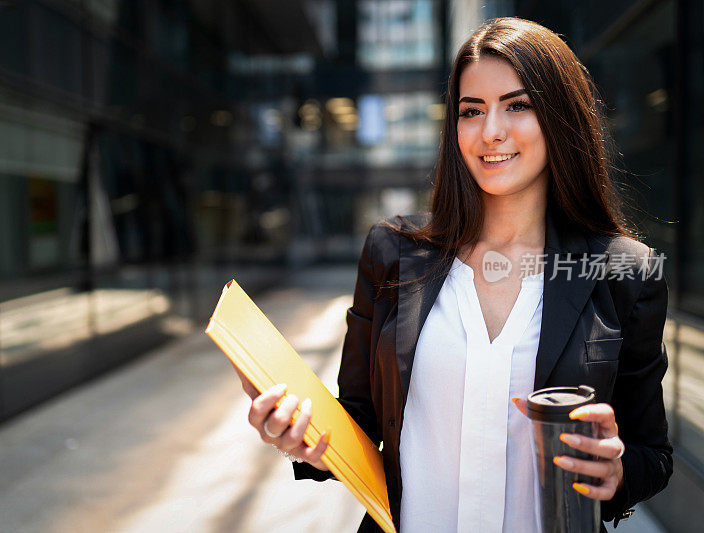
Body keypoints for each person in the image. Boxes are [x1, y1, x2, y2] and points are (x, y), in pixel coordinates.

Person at [235, 17, 672, 532]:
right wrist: (300, 434)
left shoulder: (623, 272)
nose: (491, 131)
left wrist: (616, 472)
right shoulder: (392, 253)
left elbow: (652, 456)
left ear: (560, 117)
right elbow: (356, 423)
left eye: (518, 105)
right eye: (471, 111)